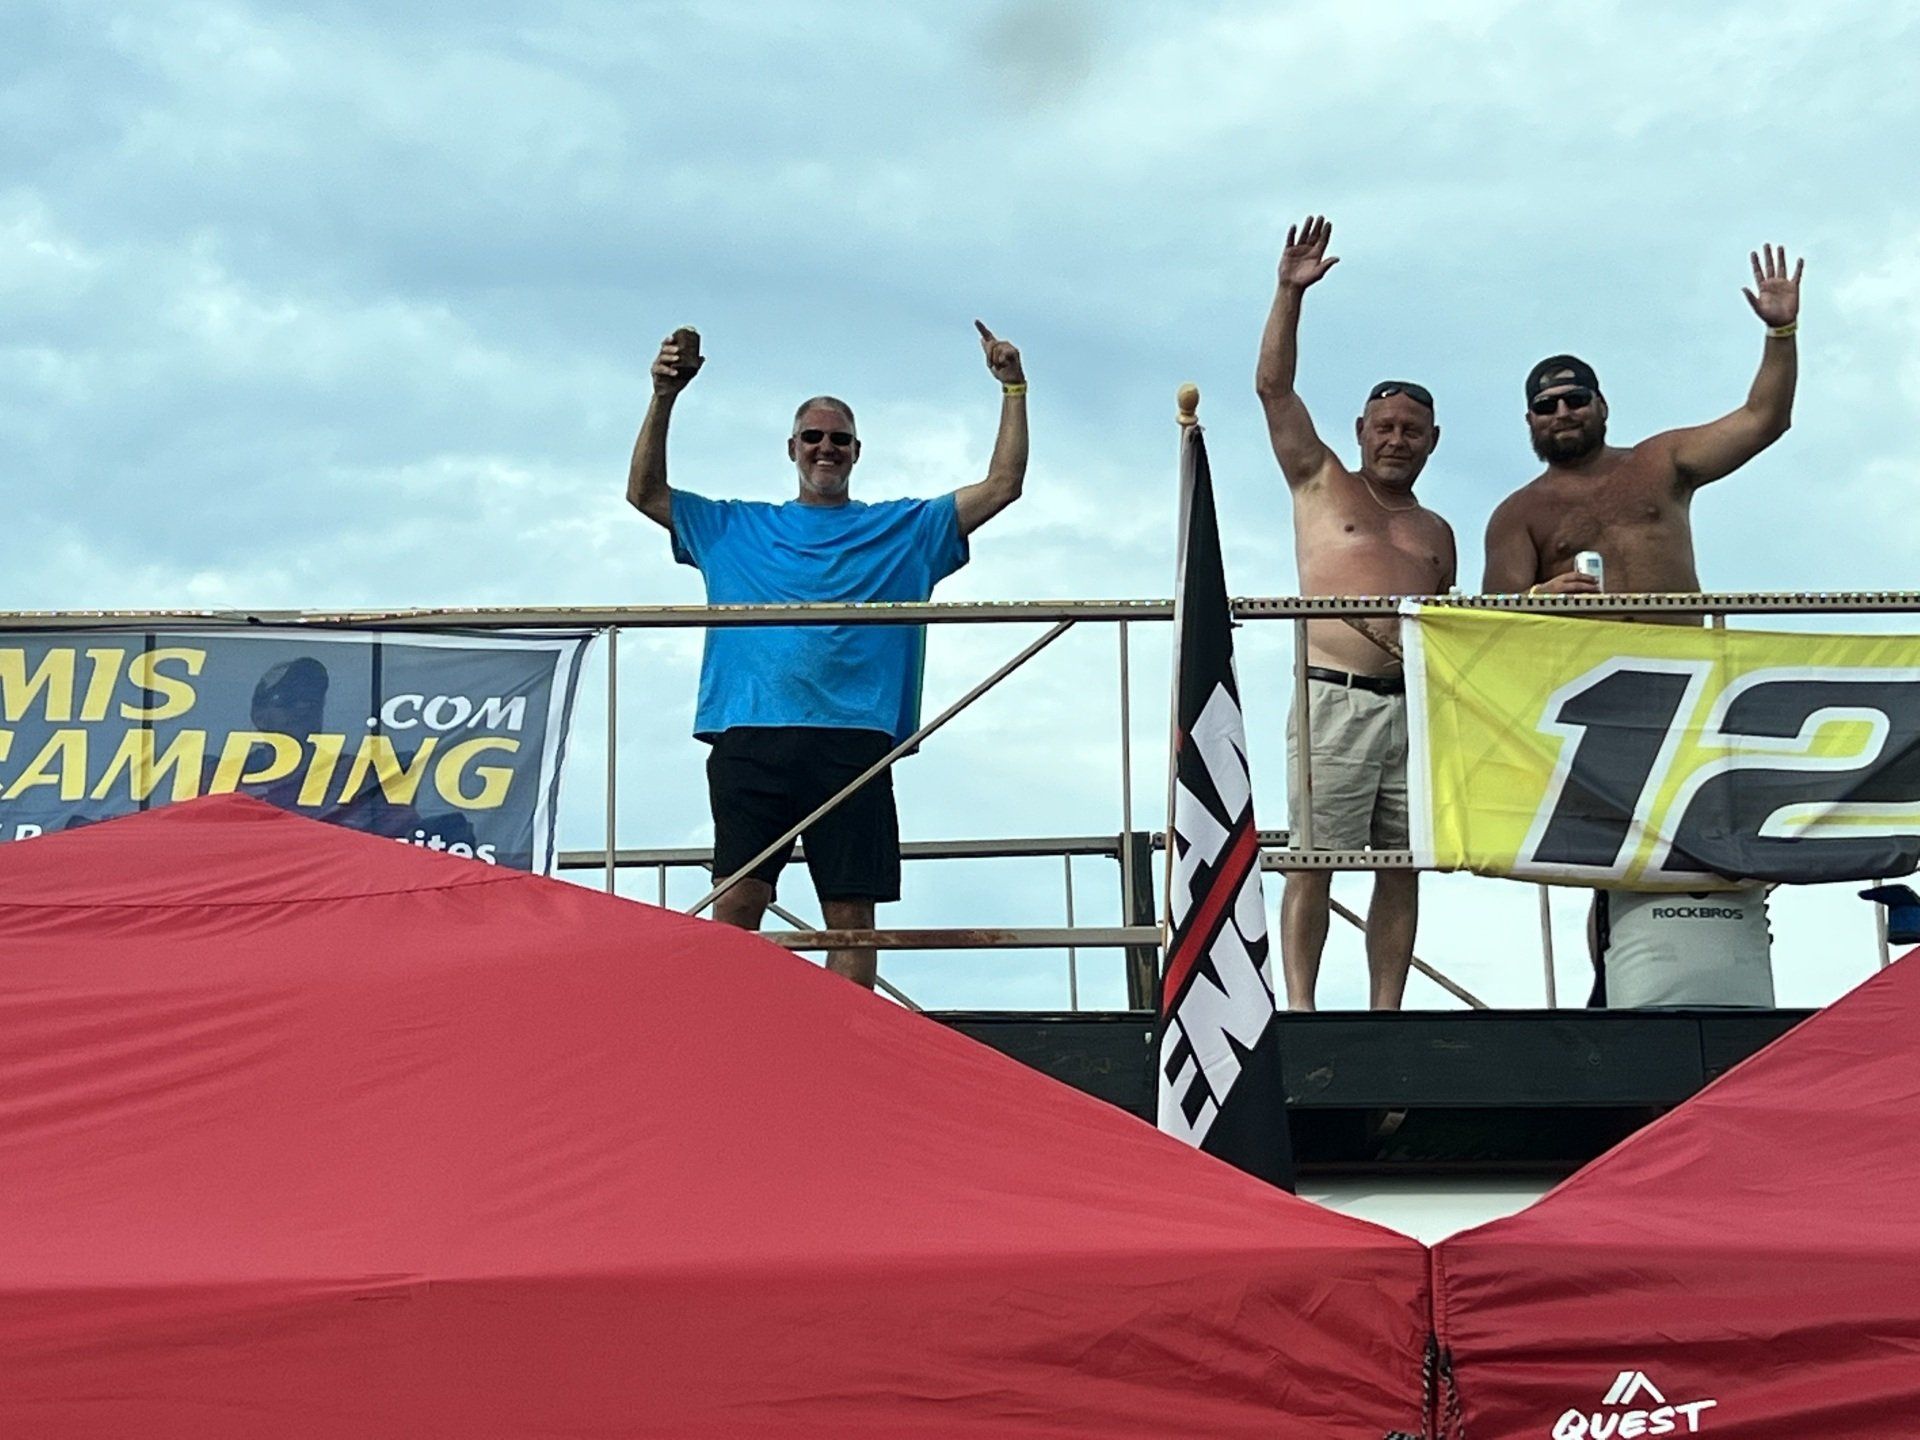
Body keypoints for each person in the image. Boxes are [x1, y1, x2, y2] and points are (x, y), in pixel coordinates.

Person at [627, 322, 1028, 988]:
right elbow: (645, 494)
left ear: (856, 451)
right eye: (813, 437)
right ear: (792, 448)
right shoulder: (734, 525)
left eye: (838, 439)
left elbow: (1002, 485)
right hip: (750, 733)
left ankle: (850, 1056)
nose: (826, 448)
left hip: (854, 741)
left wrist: (1012, 386)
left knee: (849, 917)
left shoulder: (903, 530)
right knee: (738, 904)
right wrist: (664, 393)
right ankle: (723, 1034)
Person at [1256, 214, 1457, 1012]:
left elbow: (1454, 635)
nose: (1397, 441)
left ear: (1432, 440)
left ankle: (1386, 1011)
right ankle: (1300, 1007)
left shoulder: (1437, 532)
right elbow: (1273, 389)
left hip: (1410, 711)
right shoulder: (1321, 481)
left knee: (1404, 863)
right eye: (1385, 428)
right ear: (1360, 432)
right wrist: (1289, 293)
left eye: (1411, 430)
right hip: (1332, 697)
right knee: (1314, 859)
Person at [1482, 245, 1803, 601]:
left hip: (1677, 653)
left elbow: (1764, 419)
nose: (1562, 413)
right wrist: (1540, 594)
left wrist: (1782, 331)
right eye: (1546, 406)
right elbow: (1492, 617)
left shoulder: (1659, 462)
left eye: (1575, 400)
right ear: (1530, 420)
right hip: (1586, 657)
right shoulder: (1517, 514)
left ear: (1601, 406)